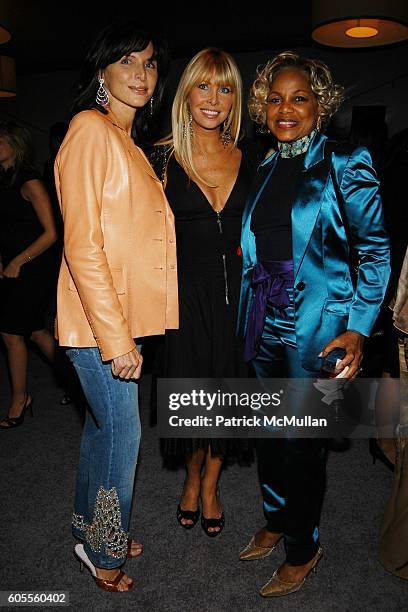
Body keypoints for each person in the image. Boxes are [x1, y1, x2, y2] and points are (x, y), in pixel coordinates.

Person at [237, 51, 390, 596]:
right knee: (269, 436)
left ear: (319, 106)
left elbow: (375, 252)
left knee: (303, 443)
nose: (286, 108)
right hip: (264, 323)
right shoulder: (263, 164)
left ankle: (304, 546)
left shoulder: (348, 162)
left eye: (298, 98)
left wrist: (359, 328)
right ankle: (279, 520)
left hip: (322, 330)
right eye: (275, 98)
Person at [55, 21, 177, 592]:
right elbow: (81, 246)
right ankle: (103, 549)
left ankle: (89, 523)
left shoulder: (124, 140)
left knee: (102, 431)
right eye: (127, 61)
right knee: (122, 436)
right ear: (101, 73)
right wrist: (117, 339)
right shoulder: (89, 129)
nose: (140, 73)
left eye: (150, 63)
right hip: (98, 325)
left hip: (116, 320)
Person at [150, 48, 255, 536]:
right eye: (204, 86)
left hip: (240, 298)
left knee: (228, 398)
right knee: (193, 398)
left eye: (226, 88)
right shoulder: (160, 158)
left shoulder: (254, 157)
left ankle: (211, 485)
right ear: (186, 92)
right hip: (184, 299)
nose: (214, 98)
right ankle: (190, 479)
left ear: (236, 99)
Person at [0, 121, 58, 429]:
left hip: (34, 266)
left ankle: (19, 400)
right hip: (14, 266)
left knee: (11, 333)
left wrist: (18, 261)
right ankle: (77, 384)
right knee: (34, 330)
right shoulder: (3, 180)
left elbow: (51, 233)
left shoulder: (29, 180)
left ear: (14, 143)